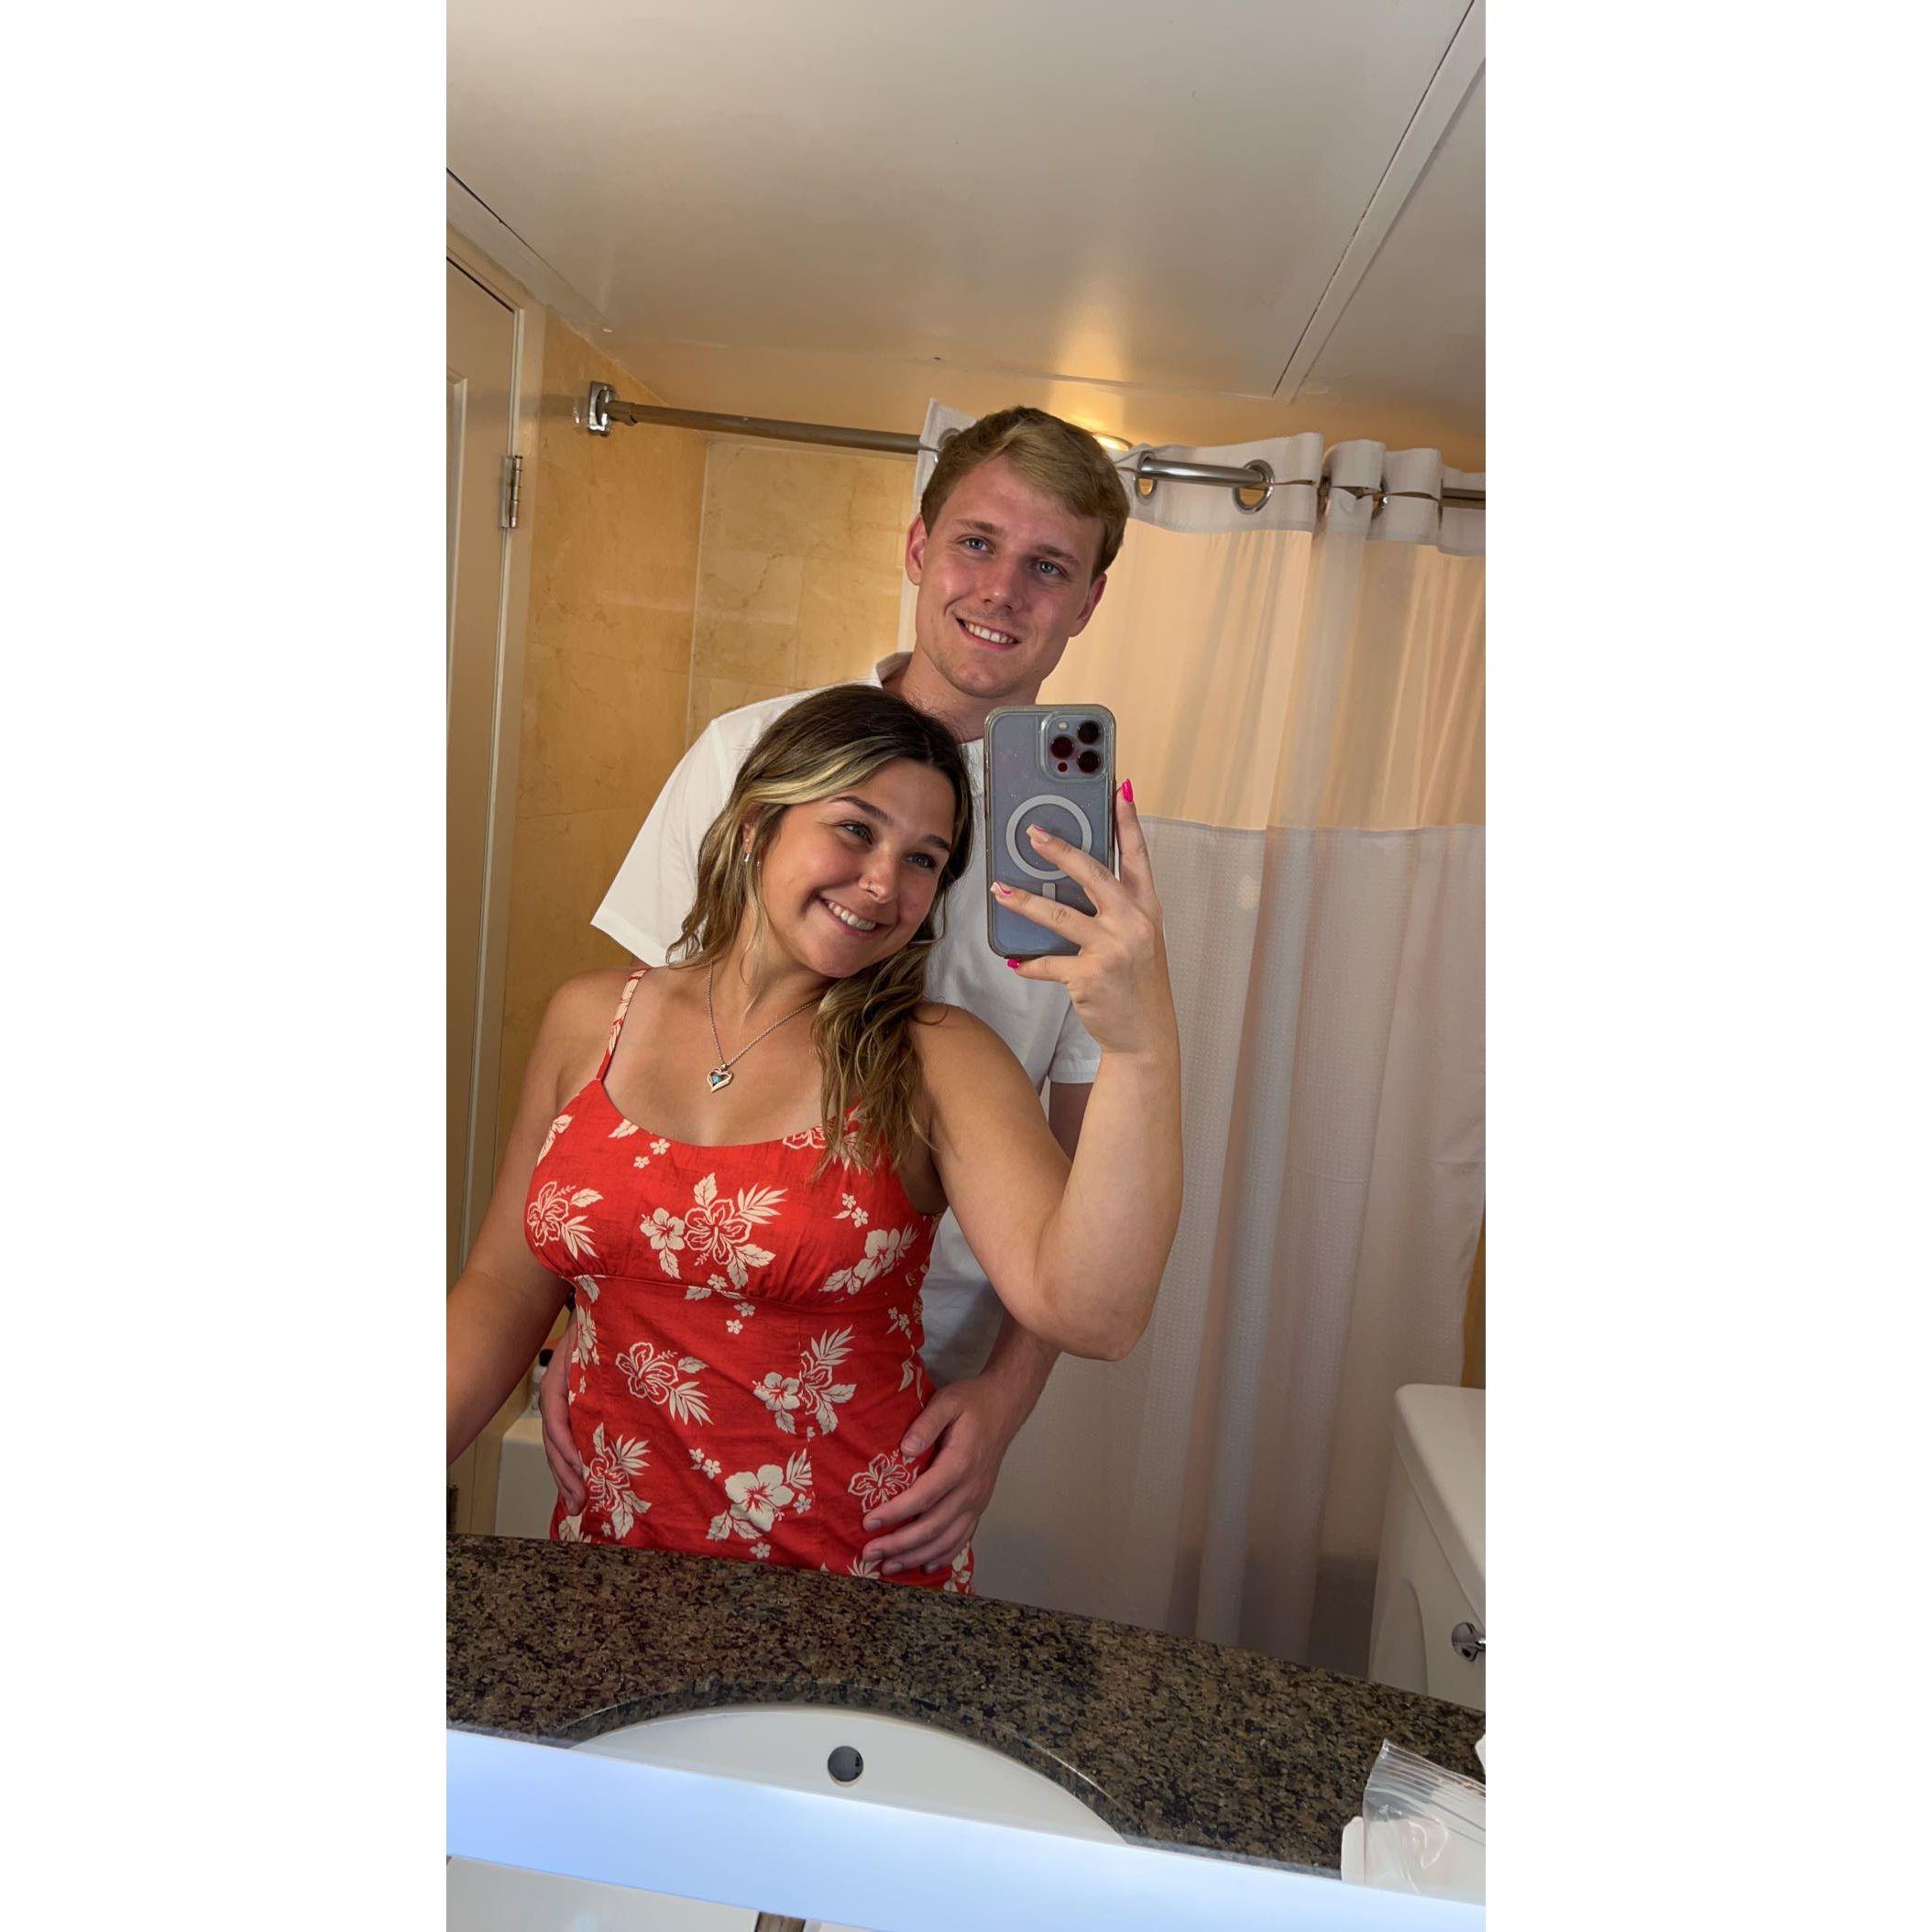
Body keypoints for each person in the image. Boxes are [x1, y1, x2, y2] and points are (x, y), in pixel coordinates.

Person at [544, 405, 1131, 1580]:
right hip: (669, 1356)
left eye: (1047, 566)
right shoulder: (748, 752)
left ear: (1086, 602)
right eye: (975, 543)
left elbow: (1082, 1168)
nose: (1001, 590)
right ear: (917, 547)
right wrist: (575, 1316)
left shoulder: (1082, 846)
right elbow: (625, 1059)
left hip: (919, 1386)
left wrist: (1003, 1399)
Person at [445, 684, 1181, 1591]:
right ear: (758, 825)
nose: (883, 883)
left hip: (849, 1585)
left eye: (923, 858)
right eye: (855, 829)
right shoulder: (591, 1020)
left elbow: (1094, 1313)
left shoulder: (939, 1058)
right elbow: (500, 1290)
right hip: (610, 1568)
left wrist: (1139, 1045)